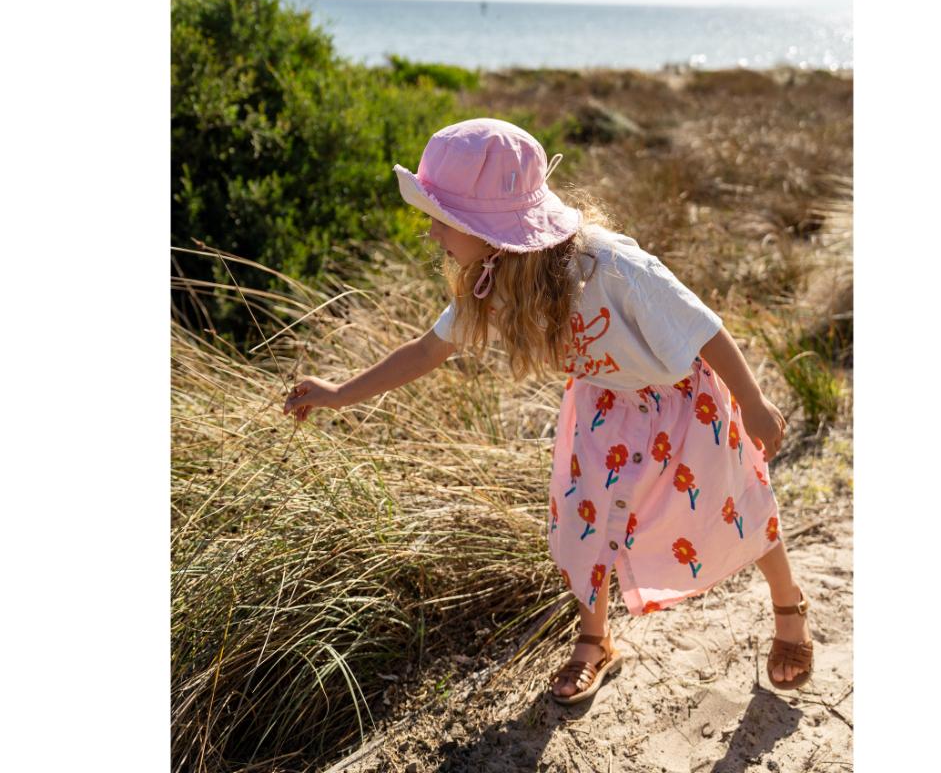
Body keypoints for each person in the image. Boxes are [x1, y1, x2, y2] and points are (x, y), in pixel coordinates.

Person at [282, 117, 813, 705]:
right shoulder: (490, 278)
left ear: (490, 228)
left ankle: (789, 607)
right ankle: (595, 641)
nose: (432, 234)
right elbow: (428, 350)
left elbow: (703, 327)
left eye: (443, 220)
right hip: (601, 409)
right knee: (585, 524)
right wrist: (337, 392)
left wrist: (756, 404)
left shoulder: (609, 265)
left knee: (737, 500)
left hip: (683, 404)